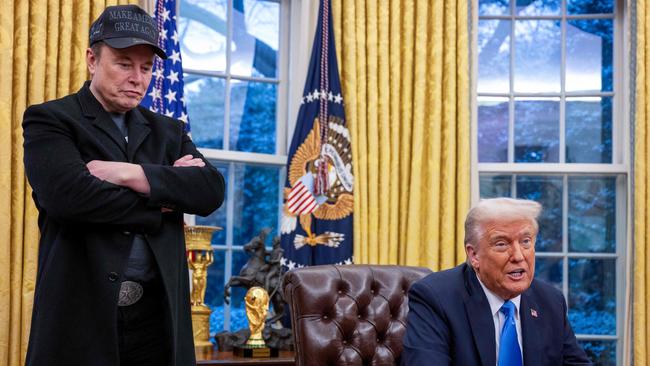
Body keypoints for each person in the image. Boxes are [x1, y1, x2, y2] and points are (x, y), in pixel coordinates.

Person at [22, 5, 225, 366]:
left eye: (146, 67)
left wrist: (126, 174)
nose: (138, 78)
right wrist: (164, 196)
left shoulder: (169, 131)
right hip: (83, 318)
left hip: (158, 320)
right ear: (92, 59)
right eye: (124, 63)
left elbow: (209, 190)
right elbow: (69, 198)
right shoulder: (50, 119)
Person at [402, 198, 591, 366]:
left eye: (526, 241)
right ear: (474, 255)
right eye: (502, 244)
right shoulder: (436, 297)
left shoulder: (550, 301)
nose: (518, 256)